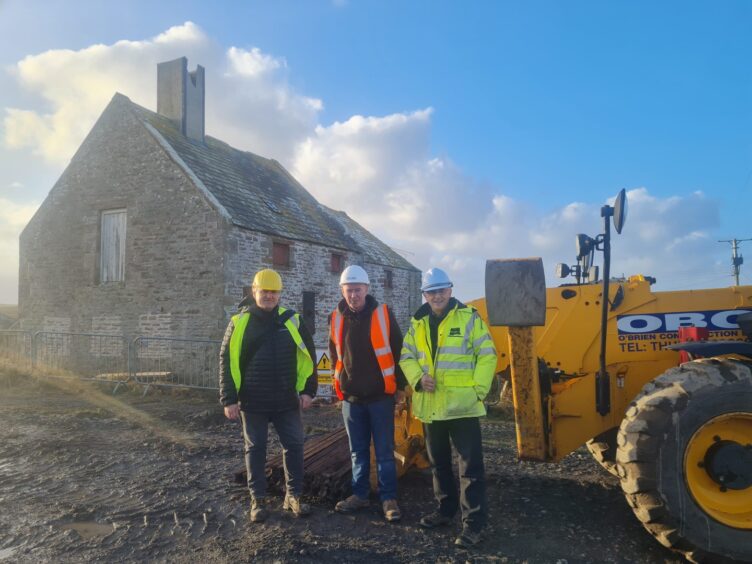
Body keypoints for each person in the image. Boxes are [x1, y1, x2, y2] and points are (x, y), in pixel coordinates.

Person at [400, 267, 497, 547]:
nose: (437, 295)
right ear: (425, 295)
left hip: (463, 408)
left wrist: (478, 390)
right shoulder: (417, 323)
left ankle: (473, 524)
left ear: (450, 291)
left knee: (470, 469)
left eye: (442, 290)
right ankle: (445, 511)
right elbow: (406, 356)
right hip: (431, 408)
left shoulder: (468, 318)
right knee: (439, 464)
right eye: (432, 291)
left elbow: (487, 355)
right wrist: (418, 378)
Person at [219, 268, 317, 523]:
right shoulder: (239, 322)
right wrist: (228, 399)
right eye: (264, 291)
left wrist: (308, 390)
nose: (269, 296)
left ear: (280, 294)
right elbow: (226, 359)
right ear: (254, 292)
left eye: (274, 292)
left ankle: (293, 496)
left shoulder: (292, 320)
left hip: (286, 400)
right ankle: (258, 500)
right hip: (253, 401)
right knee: (256, 449)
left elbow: (309, 355)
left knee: (294, 446)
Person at [329, 264, 408, 522]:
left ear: (367, 289)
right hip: (351, 399)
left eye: (358, 289)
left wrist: (400, 387)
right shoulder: (336, 317)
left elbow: (399, 352)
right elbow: (334, 352)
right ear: (342, 290)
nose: (353, 295)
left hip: (380, 397)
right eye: (349, 290)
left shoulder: (383, 314)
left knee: (385, 451)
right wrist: (337, 380)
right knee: (357, 451)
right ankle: (360, 495)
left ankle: (388, 499)